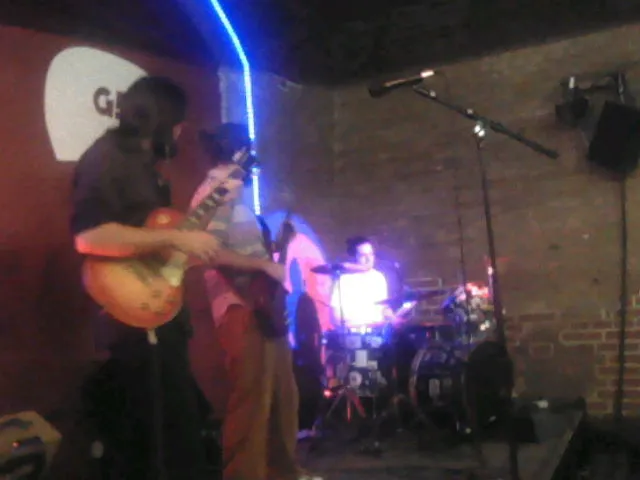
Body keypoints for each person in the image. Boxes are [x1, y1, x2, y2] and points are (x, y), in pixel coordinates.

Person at [71, 76, 229, 479]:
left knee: (177, 431)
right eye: (177, 122)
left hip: (160, 314)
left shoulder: (145, 167)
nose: (180, 132)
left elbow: (152, 240)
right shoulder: (106, 159)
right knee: (151, 438)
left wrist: (187, 244)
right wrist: (176, 238)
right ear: (161, 119)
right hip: (131, 319)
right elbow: (89, 237)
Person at [192, 122, 322, 480]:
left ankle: (283, 471)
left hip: (262, 308)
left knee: (281, 396)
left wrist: (278, 247)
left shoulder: (235, 194)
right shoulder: (217, 189)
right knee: (252, 401)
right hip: (241, 308)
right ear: (237, 153)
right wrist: (264, 264)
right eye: (248, 152)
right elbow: (208, 251)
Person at [330, 236, 394, 329]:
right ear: (354, 257)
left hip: (378, 331)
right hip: (354, 333)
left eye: (371, 254)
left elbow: (383, 307)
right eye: (363, 255)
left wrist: (393, 318)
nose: (368, 259)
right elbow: (335, 318)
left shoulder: (378, 277)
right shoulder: (343, 280)